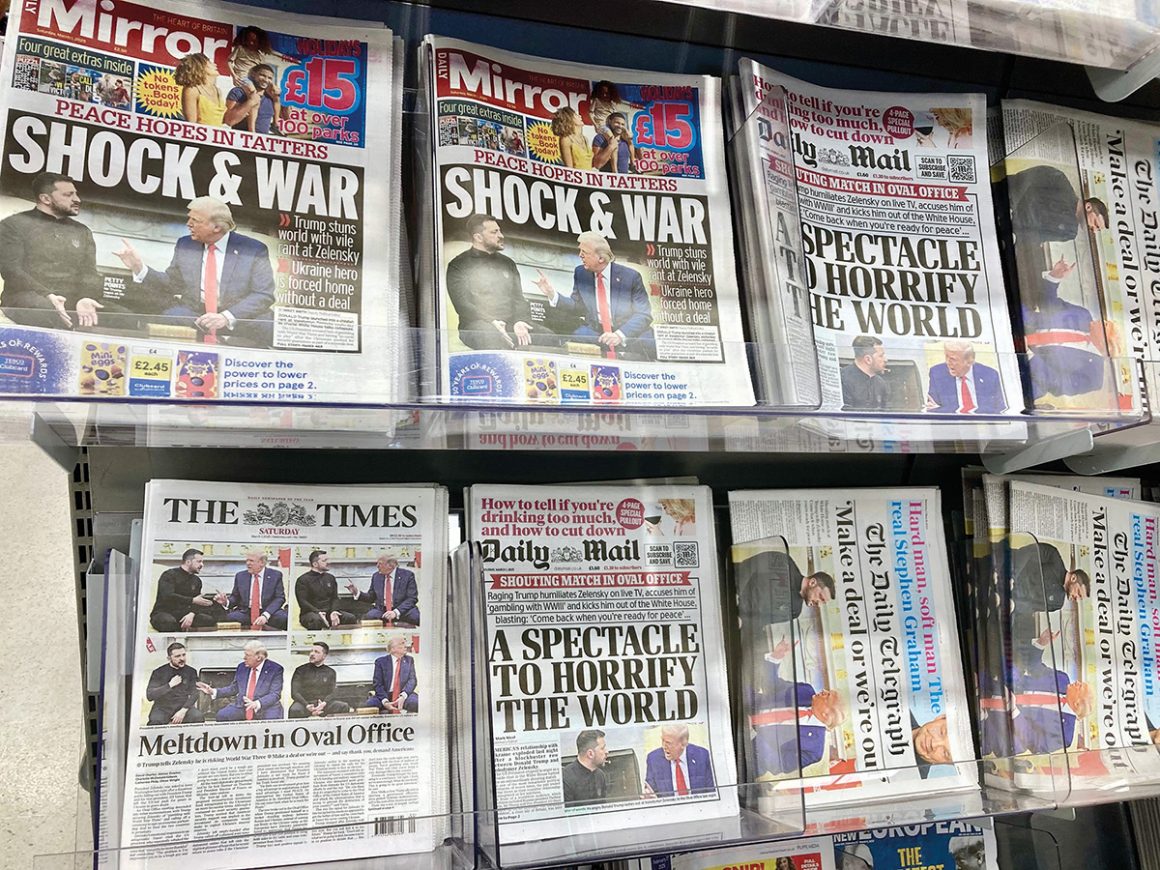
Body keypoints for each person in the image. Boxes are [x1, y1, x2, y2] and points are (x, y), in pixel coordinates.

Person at [114, 197, 276, 347]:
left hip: (237, 315)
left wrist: (225, 317)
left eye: (195, 220)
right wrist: (139, 268)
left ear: (217, 227)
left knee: (267, 325)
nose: (188, 224)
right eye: (189, 218)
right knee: (170, 316)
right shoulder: (185, 244)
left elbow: (263, 294)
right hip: (197, 316)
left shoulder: (253, 249)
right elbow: (172, 284)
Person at [0, 173, 109, 330]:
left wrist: (86, 297)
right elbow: (11, 270)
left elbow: (90, 273)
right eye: (68, 195)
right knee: (46, 311)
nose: (77, 199)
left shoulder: (82, 231)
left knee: (123, 316)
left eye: (76, 194)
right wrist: (47, 294)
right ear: (46, 199)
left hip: (71, 301)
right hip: (27, 297)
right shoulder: (13, 224)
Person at [534, 231, 655, 360]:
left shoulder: (631, 277)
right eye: (580, 251)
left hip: (627, 332)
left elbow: (643, 314)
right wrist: (552, 294)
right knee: (578, 335)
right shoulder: (581, 273)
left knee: (649, 341)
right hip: (598, 333)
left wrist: (619, 335)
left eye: (584, 252)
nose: (580, 255)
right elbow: (577, 306)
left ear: (601, 259)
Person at [445, 215, 553, 350]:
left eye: (500, 231)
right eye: (494, 232)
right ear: (478, 237)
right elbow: (462, 304)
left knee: (548, 337)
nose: (501, 236)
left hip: (512, 325)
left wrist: (520, 321)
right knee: (490, 336)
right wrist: (492, 321)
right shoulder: (458, 265)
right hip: (477, 325)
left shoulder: (508, 263)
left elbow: (519, 298)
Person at [750, 639, 846, 774]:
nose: (824, 691)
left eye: (827, 696)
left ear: (826, 715)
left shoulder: (814, 750)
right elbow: (771, 686)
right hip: (744, 707)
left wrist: (752, 733)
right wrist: (776, 657)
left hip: (749, 752)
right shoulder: (805, 691)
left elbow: (778, 764)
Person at [735, 547, 836, 625]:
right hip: (732, 588)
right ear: (812, 582)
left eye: (823, 603)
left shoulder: (796, 611)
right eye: (821, 597)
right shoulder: (785, 562)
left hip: (736, 615)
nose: (819, 604)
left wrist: (741, 621)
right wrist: (736, 593)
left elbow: (761, 621)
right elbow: (749, 566)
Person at [197, 639, 284, 721]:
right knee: (222, 715)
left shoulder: (275, 669)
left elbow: (275, 694)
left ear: (258, 658)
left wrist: (256, 703)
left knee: (271, 721)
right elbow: (234, 688)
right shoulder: (242, 667)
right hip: (243, 706)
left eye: (247, 655)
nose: (244, 658)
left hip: (266, 706)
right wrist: (213, 691)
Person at [150, 548, 226, 632]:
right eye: (199, 561)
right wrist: (192, 600)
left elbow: (197, 602)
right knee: (168, 622)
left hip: (184, 614)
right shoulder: (169, 575)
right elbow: (168, 596)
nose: (202, 565)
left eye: (202, 562)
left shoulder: (197, 580)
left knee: (208, 620)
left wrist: (192, 614)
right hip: (164, 612)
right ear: (188, 562)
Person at [926, 340, 1007, 414]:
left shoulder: (990, 375)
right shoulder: (937, 373)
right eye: (946, 357)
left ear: (969, 361)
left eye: (953, 359)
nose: (948, 362)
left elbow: (999, 409)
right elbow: (932, 409)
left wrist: (948, 409)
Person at [217, 551, 288, 630]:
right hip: (246, 612)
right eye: (247, 560)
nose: (248, 563)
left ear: (262, 563)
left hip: (268, 611)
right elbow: (235, 597)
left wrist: (266, 615)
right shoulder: (240, 576)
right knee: (229, 618)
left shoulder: (275, 575)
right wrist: (226, 602)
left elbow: (280, 598)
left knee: (284, 618)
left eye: (251, 561)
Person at [643, 724, 715, 797]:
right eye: (663, 740)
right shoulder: (653, 759)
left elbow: (711, 792)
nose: (664, 746)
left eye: (668, 743)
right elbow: (651, 792)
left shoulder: (702, 756)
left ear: (683, 744)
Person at [346, 554, 420, 625]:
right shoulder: (376, 576)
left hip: (402, 609)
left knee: (416, 617)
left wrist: (395, 612)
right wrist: (356, 592)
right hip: (382, 609)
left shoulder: (407, 575)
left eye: (380, 563)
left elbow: (412, 598)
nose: (377, 566)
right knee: (368, 617)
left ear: (390, 566)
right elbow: (371, 597)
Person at [145, 642, 206, 726]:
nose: (182, 658)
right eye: (177, 656)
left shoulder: (191, 671)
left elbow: (195, 693)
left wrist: (183, 710)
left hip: (182, 706)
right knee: (155, 722)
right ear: (169, 658)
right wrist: (169, 685)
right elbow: (150, 696)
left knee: (198, 717)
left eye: (183, 655)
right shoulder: (158, 672)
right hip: (163, 708)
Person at [295, 549, 357, 630]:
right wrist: (318, 612)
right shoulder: (303, 580)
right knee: (316, 620)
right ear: (315, 564)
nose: (328, 562)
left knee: (350, 618)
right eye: (324, 561)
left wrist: (334, 611)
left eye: (328, 560)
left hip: (329, 613)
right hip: (311, 613)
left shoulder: (330, 578)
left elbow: (335, 598)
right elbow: (303, 602)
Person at [289, 641, 352, 718]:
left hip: (323, 704)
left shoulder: (330, 672)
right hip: (305, 704)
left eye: (316, 652)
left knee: (343, 706)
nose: (312, 654)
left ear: (324, 656)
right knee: (295, 709)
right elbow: (295, 693)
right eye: (311, 651)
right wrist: (307, 705)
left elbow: (333, 692)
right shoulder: (300, 670)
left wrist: (324, 703)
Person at [367, 636, 418, 714]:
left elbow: (412, 680)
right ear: (393, 649)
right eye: (402, 643)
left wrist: (403, 696)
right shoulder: (380, 662)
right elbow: (377, 684)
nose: (405, 646)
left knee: (416, 702)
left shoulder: (409, 660)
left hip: (404, 694)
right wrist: (385, 701)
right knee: (370, 704)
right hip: (385, 695)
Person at [224, 63, 279, 134]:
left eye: (269, 78)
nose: (266, 80)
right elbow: (228, 121)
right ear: (253, 74)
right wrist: (249, 103)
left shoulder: (271, 97)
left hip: (262, 139)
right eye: (262, 75)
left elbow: (286, 116)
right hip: (240, 138)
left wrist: (278, 97)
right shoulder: (238, 92)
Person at [174, 52, 225, 127]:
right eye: (210, 63)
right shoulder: (191, 90)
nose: (215, 65)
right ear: (201, 67)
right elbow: (191, 124)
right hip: (201, 133)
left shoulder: (217, 90)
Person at [841, 335, 890, 410]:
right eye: (881, 356)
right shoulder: (842, 379)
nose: (886, 359)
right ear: (868, 359)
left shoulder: (881, 383)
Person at [561, 729, 608, 806]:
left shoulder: (600, 775)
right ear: (590, 754)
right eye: (602, 748)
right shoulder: (565, 778)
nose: (607, 752)